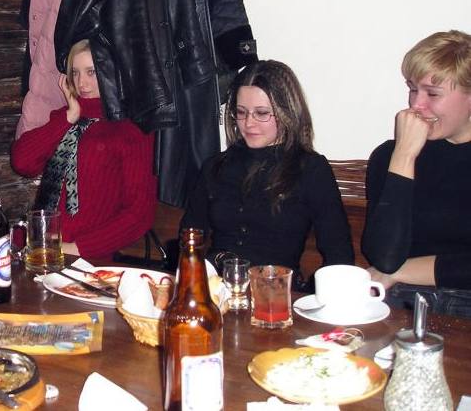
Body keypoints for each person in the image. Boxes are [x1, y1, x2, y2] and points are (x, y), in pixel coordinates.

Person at [181, 60, 354, 291]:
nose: (248, 123)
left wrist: (310, 298)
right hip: (216, 290)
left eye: (261, 113)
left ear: (287, 113)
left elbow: (339, 256)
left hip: (275, 294)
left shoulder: (310, 169)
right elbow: (189, 239)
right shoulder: (216, 166)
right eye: (241, 112)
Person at [10, 39, 157, 260]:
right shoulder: (65, 117)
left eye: (91, 72)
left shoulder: (130, 128)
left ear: (110, 72)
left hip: (89, 257)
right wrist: (69, 117)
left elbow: (139, 214)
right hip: (43, 248)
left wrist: (77, 248)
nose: (81, 83)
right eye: (75, 73)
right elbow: (22, 162)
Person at [362, 30, 471, 317]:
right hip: (401, 301)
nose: (416, 105)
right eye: (413, 89)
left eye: (432, 93)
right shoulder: (389, 155)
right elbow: (383, 257)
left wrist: (401, 271)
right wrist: (404, 155)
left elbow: (389, 269)